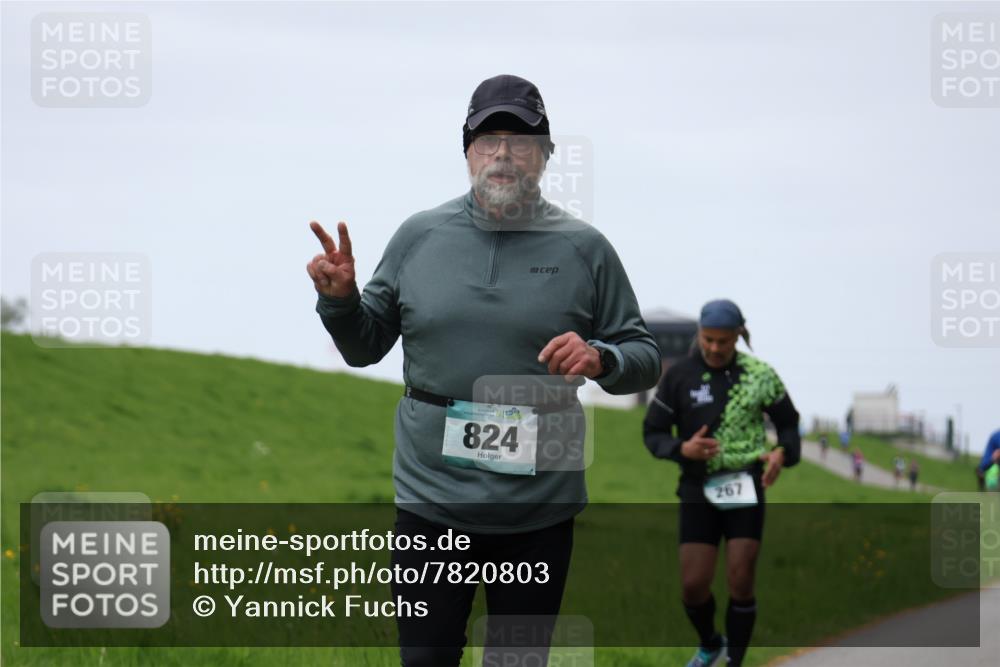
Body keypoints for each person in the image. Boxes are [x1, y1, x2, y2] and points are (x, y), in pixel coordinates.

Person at [305, 74, 661, 667]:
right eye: (488, 140)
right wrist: (340, 302)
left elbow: (643, 355)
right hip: (431, 501)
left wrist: (603, 357)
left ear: (545, 155)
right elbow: (364, 347)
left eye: (520, 142)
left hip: (538, 507)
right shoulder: (419, 237)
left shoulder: (585, 248)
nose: (503, 154)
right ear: (467, 151)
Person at [642, 299, 801, 667]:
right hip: (698, 487)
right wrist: (683, 449)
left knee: (741, 577)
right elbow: (653, 433)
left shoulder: (759, 375)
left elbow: (789, 425)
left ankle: (734, 661)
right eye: (708, 339)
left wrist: (782, 453)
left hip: (745, 482)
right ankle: (711, 643)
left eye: (723, 341)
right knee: (693, 585)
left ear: (738, 336)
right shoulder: (679, 376)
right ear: (699, 334)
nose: (714, 348)